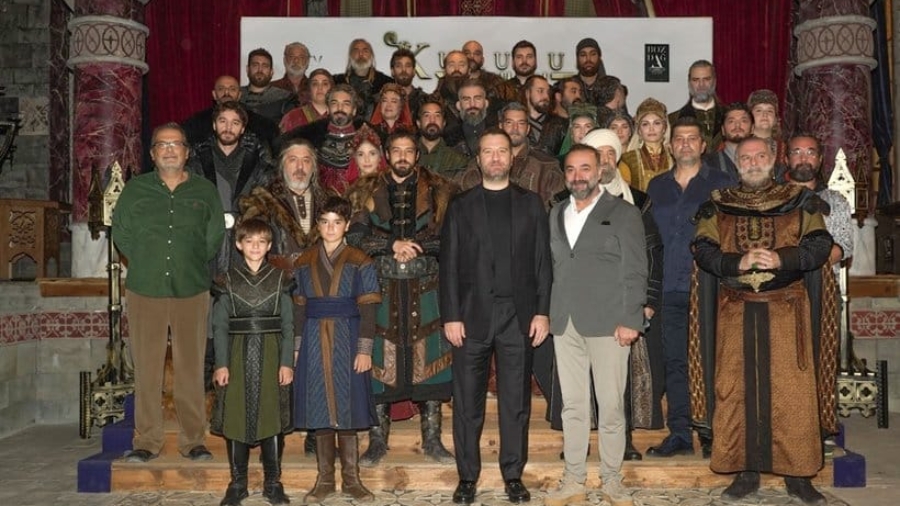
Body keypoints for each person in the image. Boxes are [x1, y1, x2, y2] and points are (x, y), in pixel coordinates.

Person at [689, 136, 838, 505]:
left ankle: (799, 474)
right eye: (745, 157)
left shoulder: (801, 201)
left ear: (773, 158)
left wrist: (783, 258)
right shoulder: (717, 206)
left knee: (792, 395)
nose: (752, 162)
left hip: (787, 313)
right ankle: (745, 471)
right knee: (737, 392)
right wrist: (734, 262)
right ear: (735, 163)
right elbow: (703, 250)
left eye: (759, 156)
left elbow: (820, 245)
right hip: (735, 312)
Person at [440, 128, 552, 505]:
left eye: (501, 151)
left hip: (517, 317)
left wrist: (542, 312)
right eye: (487, 152)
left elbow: (542, 264)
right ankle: (467, 477)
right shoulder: (461, 205)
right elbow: (449, 265)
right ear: (478, 159)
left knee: (515, 403)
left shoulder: (532, 204)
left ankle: (513, 474)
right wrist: (450, 315)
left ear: (512, 156)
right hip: (470, 318)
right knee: (467, 401)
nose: (495, 158)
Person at [113, 123, 225, 463]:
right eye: (162, 144)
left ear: (187, 152)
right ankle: (147, 440)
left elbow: (214, 236)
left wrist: (187, 261)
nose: (170, 149)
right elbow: (122, 234)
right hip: (145, 289)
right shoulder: (135, 190)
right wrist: (146, 262)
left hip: (191, 288)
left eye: (176, 144)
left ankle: (193, 441)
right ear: (152, 154)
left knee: (190, 368)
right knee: (147, 368)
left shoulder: (204, 191)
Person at [544, 140, 647, 506]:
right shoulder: (556, 212)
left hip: (609, 323)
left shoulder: (623, 212)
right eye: (571, 170)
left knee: (610, 406)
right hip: (565, 321)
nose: (577, 176)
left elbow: (635, 270)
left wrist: (631, 318)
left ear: (600, 170)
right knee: (572, 406)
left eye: (585, 168)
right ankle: (573, 480)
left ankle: (612, 480)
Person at [346, 131, 457, 466]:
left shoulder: (442, 190)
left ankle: (433, 440)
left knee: (431, 366)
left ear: (417, 156)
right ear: (387, 154)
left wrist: (417, 248)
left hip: (427, 286)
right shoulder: (365, 190)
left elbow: (452, 236)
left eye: (409, 151)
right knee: (381, 361)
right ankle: (377, 442)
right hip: (382, 286)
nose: (403, 156)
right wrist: (391, 246)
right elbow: (354, 235)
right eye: (397, 151)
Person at [645, 116, 735, 459]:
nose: (684, 143)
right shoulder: (657, 187)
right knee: (675, 363)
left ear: (702, 146)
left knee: (712, 360)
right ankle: (680, 432)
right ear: (671, 146)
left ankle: (713, 432)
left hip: (710, 286)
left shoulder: (723, 183)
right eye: (678, 138)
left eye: (691, 138)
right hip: (668, 287)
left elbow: (731, 233)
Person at [293, 196, 381, 504]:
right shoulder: (303, 262)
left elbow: (369, 309)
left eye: (337, 222)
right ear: (317, 226)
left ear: (346, 226)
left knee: (348, 406)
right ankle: (325, 480)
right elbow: (299, 309)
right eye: (325, 222)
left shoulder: (361, 260)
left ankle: (353, 481)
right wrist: (296, 349)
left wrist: (365, 349)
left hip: (348, 334)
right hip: (314, 338)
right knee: (319, 406)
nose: (331, 228)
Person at [210, 218, 294, 506]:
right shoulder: (226, 281)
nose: (255, 247)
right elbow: (219, 327)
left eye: (261, 242)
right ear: (238, 244)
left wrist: (286, 362)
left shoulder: (281, 279)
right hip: (237, 353)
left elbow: (288, 325)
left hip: (271, 352)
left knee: (270, 416)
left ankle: (273, 482)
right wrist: (221, 364)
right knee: (236, 416)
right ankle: (238, 483)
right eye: (249, 241)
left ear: (269, 246)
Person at [188, 100, 273, 276]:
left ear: (243, 129)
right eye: (222, 121)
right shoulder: (196, 162)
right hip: (207, 241)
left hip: (246, 243)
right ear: (214, 125)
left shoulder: (257, 163)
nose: (228, 128)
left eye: (235, 123)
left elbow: (265, 206)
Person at [460, 102, 565, 211]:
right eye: (509, 123)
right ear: (501, 126)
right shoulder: (482, 163)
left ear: (528, 129)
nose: (515, 128)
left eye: (521, 123)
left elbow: (557, 211)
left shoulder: (546, 166)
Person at [279, 84, 366, 194]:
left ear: (354, 110)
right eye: (335, 104)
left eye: (346, 104)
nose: (340, 109)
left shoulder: (367, 140)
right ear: (328, 109)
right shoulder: (307, 139)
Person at [785, 134, 854, 271]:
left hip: (823, 279)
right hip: (781, 281)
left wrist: (806, 267)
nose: (803, 159)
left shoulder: (836, 201)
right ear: (786, 159)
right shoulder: (774, 199)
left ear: (820, 159)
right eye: (796, 152)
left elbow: (844, 245)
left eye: (811, 153)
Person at [182, 75, 279, 151]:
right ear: (214, 94)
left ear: (239, 95)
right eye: (221, 89)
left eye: (232, 89)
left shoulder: (261, 123)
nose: (227, 93)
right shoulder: (196, 123)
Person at [618, 98, 672, 192]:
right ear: (639, 130)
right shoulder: (628, 159)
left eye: (657, 123)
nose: (651, 129)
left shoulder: (674, 156)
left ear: (664, 128)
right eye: (645, 124)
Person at [668, 59, 724, 150]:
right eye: (695, 80)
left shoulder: (729, 116)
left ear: (715, 81)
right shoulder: (673, 120)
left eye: (706, 79)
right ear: (689, 82)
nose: (701, 85)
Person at [332, 38, 393, 120]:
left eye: (365, 51)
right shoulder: (337, 82)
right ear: (350, 56)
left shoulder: (385, 82)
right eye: (356, 51)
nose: (360, 54)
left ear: (371, 55)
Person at [416, 98, 469, 182]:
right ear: (418, 123)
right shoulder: (406, 157)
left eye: (437, 116)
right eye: (427, 115)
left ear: (444, 123)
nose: (432, 120)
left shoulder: (457, 160)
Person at [240, 48, 295, 125]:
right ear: (247, 69)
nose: (260, 70)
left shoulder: (286, 98)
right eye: (255, 65)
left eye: (265, 66)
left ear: (271, 72)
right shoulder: (236, 95)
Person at [702, 102, 753, 180]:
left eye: (743, 121)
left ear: (752, 128)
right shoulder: (707, 164)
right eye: (731, 121)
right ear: (723, 130)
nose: (737, 126)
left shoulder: (764, 162)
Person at [523, 75, 567, 156]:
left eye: (548, 92)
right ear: (528, 93)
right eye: (540, 91)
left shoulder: (561, 125)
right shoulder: (517, 124)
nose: (546, 97)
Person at [279, 68, 333, 133]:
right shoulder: (292, 117)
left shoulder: (337, 116)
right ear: (309, 89)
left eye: (325, 84)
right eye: (315, 84)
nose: (320, 88)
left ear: (331, 88)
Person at [748, 89, 787, 161]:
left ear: (776, 119)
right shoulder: (738, 144)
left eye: (770, 111)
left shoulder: (784, 148)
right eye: (759, 110)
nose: (765, 114)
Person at [571, 38, 608, 108]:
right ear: (577, 59)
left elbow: (622, 116)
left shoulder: (611, 87)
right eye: (583, 55)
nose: (588, 59)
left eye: (593, 54)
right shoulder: (569, 87)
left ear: (599, 57)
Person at [390, 48, 427, 118]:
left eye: (408, 66)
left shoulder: (425, 100)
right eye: (399, 66)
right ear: (392, 71)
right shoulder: (381, 101)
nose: (404, 70)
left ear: (414, 71)